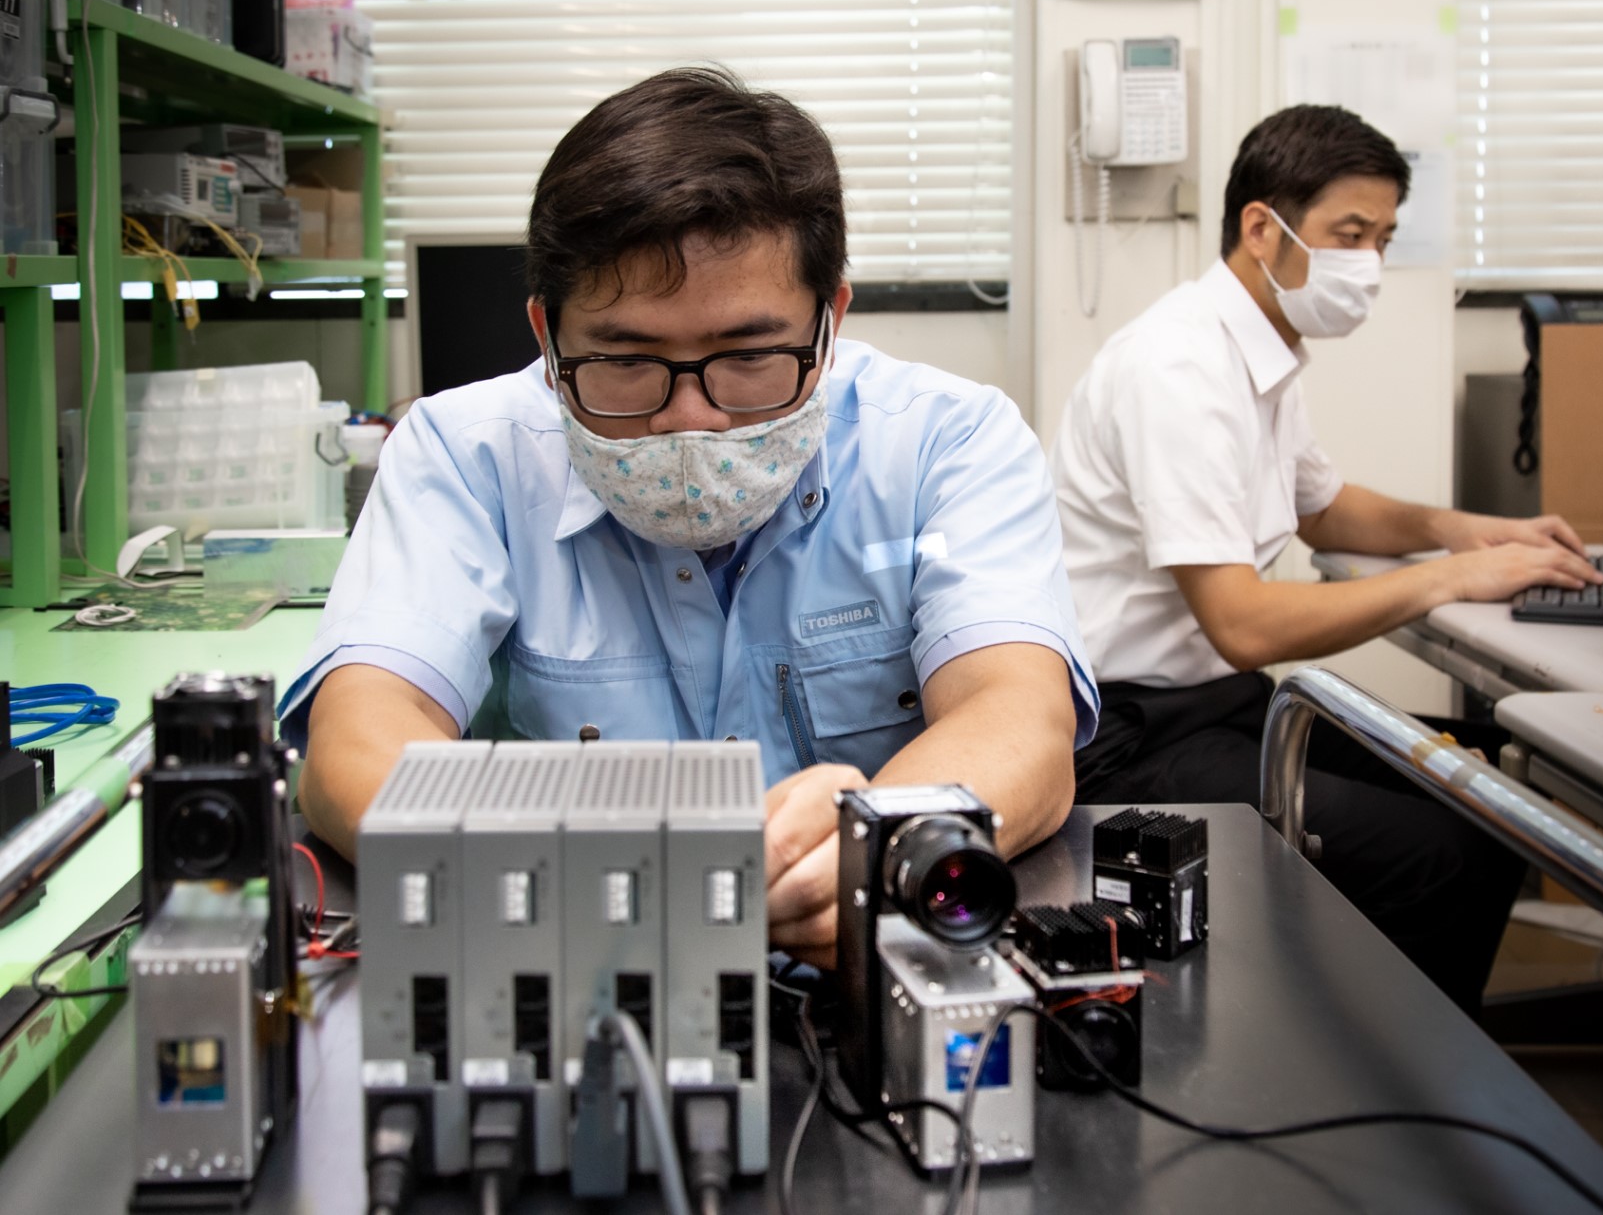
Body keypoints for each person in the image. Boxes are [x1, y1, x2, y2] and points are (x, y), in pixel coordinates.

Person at [281, 67, 1098, 968]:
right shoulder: (461, 454)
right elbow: (357, 744)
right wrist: (584, 884)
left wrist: (863, 852)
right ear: (547, 338)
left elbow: (1021, 723)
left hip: (868, 976)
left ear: (831, 321)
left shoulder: (949, 442)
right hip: (575, 982)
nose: (689, 421)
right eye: (626, 361)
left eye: (748, 357)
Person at [1052, 104, 1602, 1014]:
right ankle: (1393, 1094)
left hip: (1215, 708)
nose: (1370, 266)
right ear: (1262, 228)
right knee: (1443, 853)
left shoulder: (1259, 351)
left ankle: (1408, 1058)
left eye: (1382, 239)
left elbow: (1324, 508)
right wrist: (1448, 578)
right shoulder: (1180, 369)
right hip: (1128, 738)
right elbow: (1243, 623)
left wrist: (1465, 529)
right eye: (1350, 235)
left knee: (1485, 801)